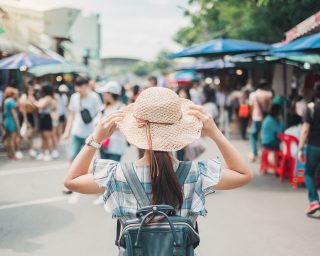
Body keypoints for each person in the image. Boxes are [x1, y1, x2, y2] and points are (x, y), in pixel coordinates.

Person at [64, 87, 252, 252]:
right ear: (178, 130)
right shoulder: (196, 173)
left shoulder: (117, 174)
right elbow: (243, 174)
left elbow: (72, 181)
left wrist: (95, 138)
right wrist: (215, 133)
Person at [62, 76, 102, 193]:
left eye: (81, 87)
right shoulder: (74, 97)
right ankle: (69, 184)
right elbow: (71, 115)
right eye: (77, 87)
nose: (78, 89)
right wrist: (67, 131)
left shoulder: (94, 97)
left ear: (86, 86)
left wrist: (98, 130)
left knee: (92, 160)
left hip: (90, 134)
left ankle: (90, 184)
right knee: (72, 157)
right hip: (76, 131)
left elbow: (100, 112)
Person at [93, 81, 128, 205]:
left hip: (116, 145)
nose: (103, 95)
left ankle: (111, 196)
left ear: (111, 93)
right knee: (104, 170)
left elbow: (123, 125)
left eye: (105, 93)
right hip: (103, 144)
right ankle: (106, 195)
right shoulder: (103, 107)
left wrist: (106, 125)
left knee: (112, 171)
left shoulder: (122, 108)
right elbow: (97, 122)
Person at [298, 83, 320, 215]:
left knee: (308, 174)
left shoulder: (311, 108)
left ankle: (314, 201)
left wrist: (300, 148)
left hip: (314, 146)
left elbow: (305, 130)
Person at [249, 79, 273, 161]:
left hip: (256, 117)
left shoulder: (253, 95)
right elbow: (270, 108)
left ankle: (255, 153)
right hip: (266, 119)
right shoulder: (268, 94)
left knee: (253, 136)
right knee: (263, 137)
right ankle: (263, 155)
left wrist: (251, 118)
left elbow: (251, 107)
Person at [32, 84, 56, 161]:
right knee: (43, 137)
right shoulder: (44, 98)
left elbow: (41, 106)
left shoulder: (48, 98)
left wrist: (33, 101)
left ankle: (50, 153)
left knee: (47, 137)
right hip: (42, 118)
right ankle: (43, 153)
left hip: (46, 118)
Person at [19, 85, 37, 157]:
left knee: (31, 133)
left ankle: (31, 149)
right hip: (25, 116)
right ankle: (18, 149)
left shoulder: (32, 97)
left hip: (31, 115)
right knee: (21, 133)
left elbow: (35, 108)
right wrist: (25, 119)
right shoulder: (24, 97)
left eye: (32, 90)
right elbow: (23, 108)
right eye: (30, 90)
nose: (32, 91)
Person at [2, 87, 21, 160]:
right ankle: (13, 155)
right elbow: (14, 115)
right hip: (11, 121)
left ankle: (9, 154)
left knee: (8, 139)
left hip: (6, 120)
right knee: (12, 139)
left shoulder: (6, 101)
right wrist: (18, 125)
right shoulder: (11, 102)